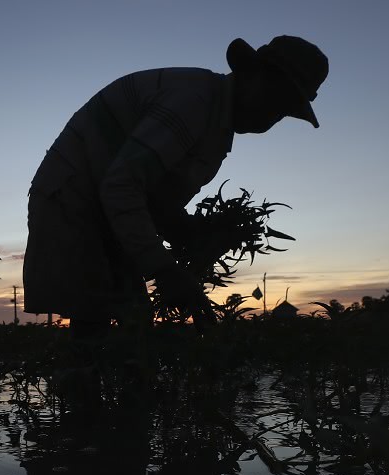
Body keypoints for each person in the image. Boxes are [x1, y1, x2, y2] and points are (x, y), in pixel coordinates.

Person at [23, 36, 328, 339]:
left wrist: (190, 233)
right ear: (251, 74)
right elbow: (122, 185)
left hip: (106, 208)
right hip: (72, 199)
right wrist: (165, 270)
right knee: (95, 318)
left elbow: (156, 200)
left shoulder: (215, 127)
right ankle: (80, 382)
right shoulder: (192, 101)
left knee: (132, 323)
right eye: (275, 100)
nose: (273, 116)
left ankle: (98, 380)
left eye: (284, 110)